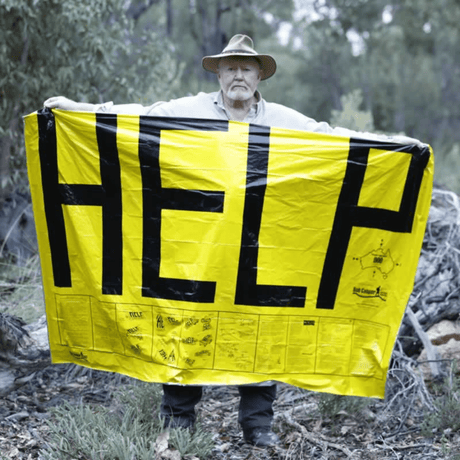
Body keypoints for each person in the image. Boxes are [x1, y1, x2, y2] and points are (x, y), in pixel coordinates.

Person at [44, 34, 424, 447]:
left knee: (262, 330)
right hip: (198, 247)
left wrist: (398, 147)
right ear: (219, 73)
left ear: (260, 74)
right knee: (185, 325)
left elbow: (334, 139)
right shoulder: (188, 111)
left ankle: (258, 426)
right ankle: (179, 423)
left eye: (246, 68)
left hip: (260, 249)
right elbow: (134, 120)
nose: (238, 75)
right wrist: (74, 111)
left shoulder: (283, 120)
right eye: (230, 68)